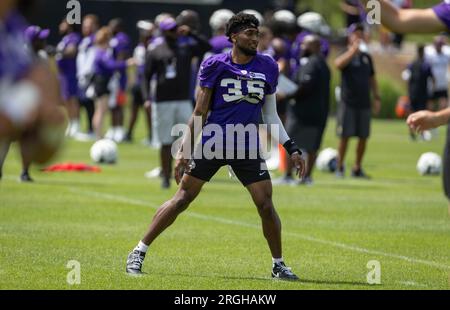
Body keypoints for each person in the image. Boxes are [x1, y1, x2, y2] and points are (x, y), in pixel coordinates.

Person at [126, 13, 306, 280]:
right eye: (249, 33)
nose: (255, 39)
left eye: (257, 34)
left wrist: (291, 148)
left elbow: (270, 115)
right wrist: (184, 151)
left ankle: (278, 264)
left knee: (266, 205)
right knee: (182, 199)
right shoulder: (215, 64)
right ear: (233, 36)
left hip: (246, 145)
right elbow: (200, 111)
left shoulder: (267, 65)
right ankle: (138, 251)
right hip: (214, 142)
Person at [142, 17, 211, 189]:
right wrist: (146, 99)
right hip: (162, 101)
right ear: (164, 32)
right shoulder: (156, 49)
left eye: (175, 28)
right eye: (171, 30)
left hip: (183, 99)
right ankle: (165, 176)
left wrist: (191, 33)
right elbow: (146, 76)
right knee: (165, 141)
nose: (174, 32)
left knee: (186, 141)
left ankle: (185, 176)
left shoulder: (185, 46)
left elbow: (207, 47)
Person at [0, 0, 66, 179]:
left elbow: (42, 154)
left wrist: (47, 125)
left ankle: (24, 171)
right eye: (40, 40)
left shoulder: (12, 24)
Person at [281, 35, 331, 185]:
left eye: (305, 45)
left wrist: (287, 94)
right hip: (318, 112)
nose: (302, 48)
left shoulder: (312, 63)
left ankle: (288, 176)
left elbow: (305, 87)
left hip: (303, 113)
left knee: (291, 143)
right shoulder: (322, 63)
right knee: (312, 147)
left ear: (315, 47)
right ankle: (306, 177)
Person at [334, 23, 381, 178]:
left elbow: (372, 79)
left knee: (363, 137)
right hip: (348, 102)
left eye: (361, 34)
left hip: (364, 103)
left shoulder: (367, 57)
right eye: (356, 34)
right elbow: (338, 64)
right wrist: (352, 51)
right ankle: (339, 167)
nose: (359, 36)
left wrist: (377, 97)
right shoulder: (345, 52)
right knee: (345, 136)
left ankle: (357, 168)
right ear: (350, 36)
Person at [124, 20, 154, 143]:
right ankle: (129, 134)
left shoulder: (152, 47)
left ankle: (151, 136)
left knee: (148, 111)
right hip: (138, 83)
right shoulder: (139, 48)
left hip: (147, 84)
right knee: (134, 109)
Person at [56, 19, 81, 137]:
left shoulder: (73, 37)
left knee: (72, 99)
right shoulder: (64, 38)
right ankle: (71, 123)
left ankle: (76, 124)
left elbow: (72, 51)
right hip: (63, 74)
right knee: (66, 100)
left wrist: (59, 52)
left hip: (71, 73)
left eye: (63, 23)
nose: (61, 26)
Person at [76, 14, 100, 140]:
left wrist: (88, 74)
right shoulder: (84, 40)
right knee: (83, 102)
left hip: (90, 76)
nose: (86, 28)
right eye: (84, 25)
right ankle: (86, 127)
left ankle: (92, 129)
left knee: (90, 103)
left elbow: (92, 59)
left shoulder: (95, 40)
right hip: (81, 76)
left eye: (89, 25)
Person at [403, 45, 434, 140]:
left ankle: (415, 133)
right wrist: (431, 91)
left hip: (414, 93)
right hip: (420, 93)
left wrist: (408, 90)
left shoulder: (413, 64)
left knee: (413, 113)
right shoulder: (424, 65)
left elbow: (406, 78)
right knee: (419, 113)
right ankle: (418, 133)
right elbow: (433, 79)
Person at [425, 36, 450, 112]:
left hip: (442, 83)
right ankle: (430, 121)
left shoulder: (446, 54)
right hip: (432, 84)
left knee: (443, 104)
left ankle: (441, 121)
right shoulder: (429, 53)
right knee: (430, 104)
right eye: (437, 44)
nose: (439, 46)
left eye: (440, 44)